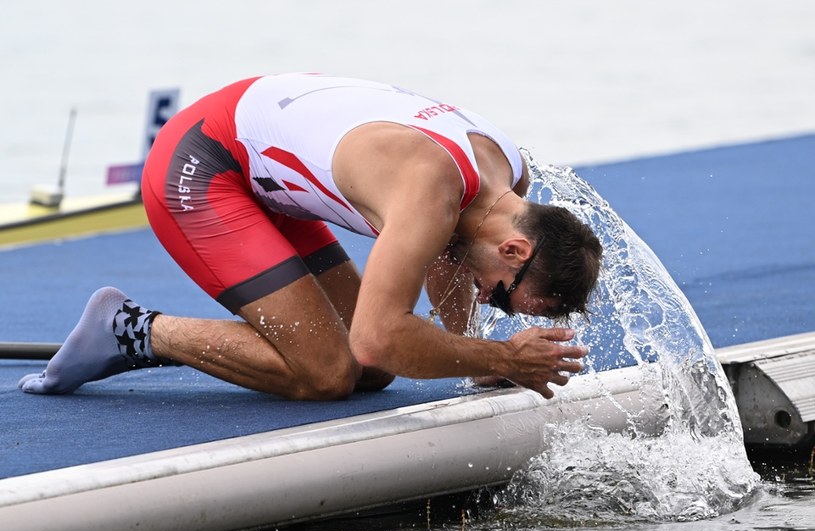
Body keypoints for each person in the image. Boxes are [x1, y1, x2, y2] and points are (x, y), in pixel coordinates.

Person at [19, 73, 602, 400]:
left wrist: (480, 364)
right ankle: (131, 329)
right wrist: (502, 355)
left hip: (268, 166)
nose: (486, 298)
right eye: (501, 294)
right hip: (201, 163)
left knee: (369, 374)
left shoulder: (508, 180)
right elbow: (379, 336)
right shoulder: (432, 190)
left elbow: (446, 258)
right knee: (328, 372)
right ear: (515, 249)